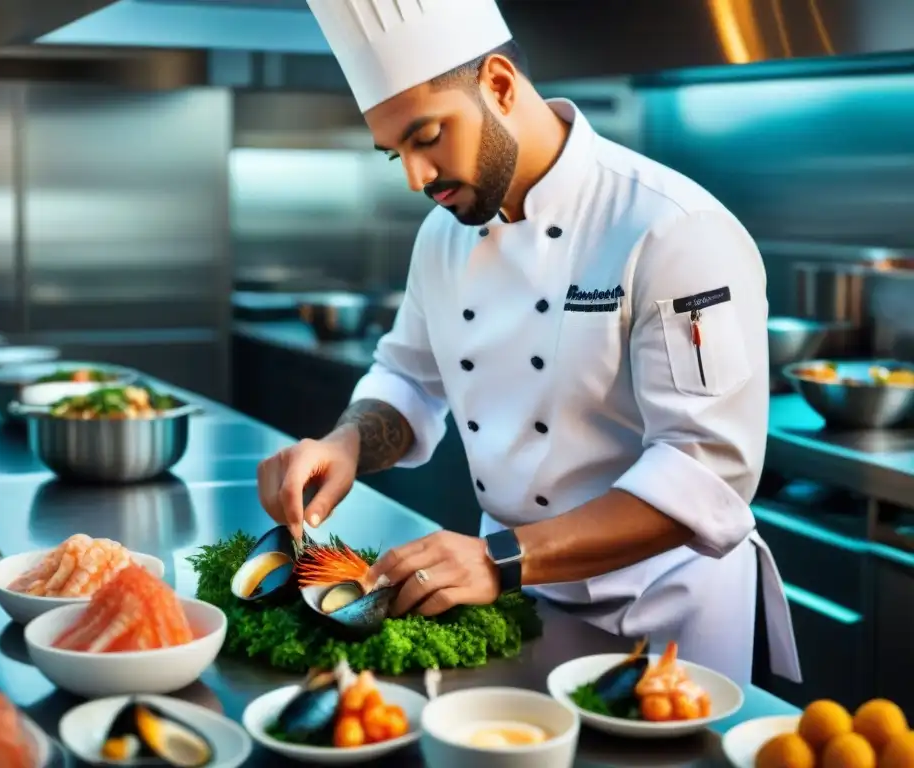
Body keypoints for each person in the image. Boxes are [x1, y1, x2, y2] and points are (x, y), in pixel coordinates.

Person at [256, 0, 801, 686]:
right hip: (522, 602)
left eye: (428, 137)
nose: (415, 179)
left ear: (502, 85)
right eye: (397, 152)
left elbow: (703, 476)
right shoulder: (442, 238)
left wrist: (498, 559)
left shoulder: (671, 228)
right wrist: (346, 445)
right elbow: (408, 379)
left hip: (669, 619)